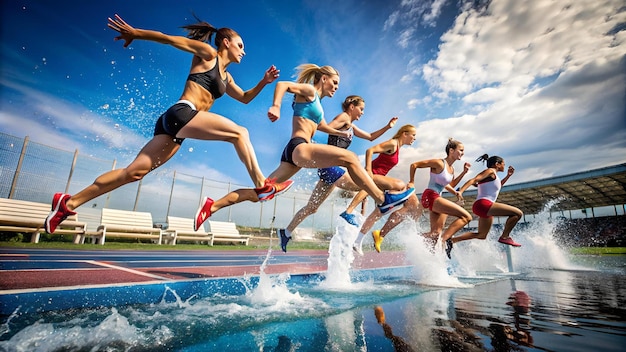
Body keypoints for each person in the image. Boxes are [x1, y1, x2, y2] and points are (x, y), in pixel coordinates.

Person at [44, 14, 292, 234]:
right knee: (240, 133)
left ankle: (68, 203)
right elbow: (169, 39)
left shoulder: (227, 78)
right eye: (240, 45)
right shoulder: (208, 55)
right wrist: (136, 33)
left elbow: (246, 98)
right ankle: (262, 185)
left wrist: (264, 82)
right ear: (225, 42)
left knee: (133, 173)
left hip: (176, 126)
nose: (243, 51)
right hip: (184, 112)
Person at [191, 64, 415, 249]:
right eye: (334, 83)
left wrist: (339, 132)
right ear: (324, 78)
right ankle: (383, 199)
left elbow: (323, 126)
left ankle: (212, 206)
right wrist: (276, 106)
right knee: (350, 159)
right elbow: (283, 84)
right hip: (300, 147)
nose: (336, 88)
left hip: (292, 153)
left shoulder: (318, 105)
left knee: (263, 191)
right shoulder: (309, 92)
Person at [278, 95, 399, 243]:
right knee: (361, 182)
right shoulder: (344, 118)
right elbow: (324, 127)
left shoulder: (351, 126)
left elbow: (370, 137)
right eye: (361, 109)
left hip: (328, 169)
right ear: (352, 107)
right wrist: (334, 134)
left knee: (312, 207)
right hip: (330, 166)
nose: (362, 113)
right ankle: (378, 199)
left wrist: (388, 126)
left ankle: (286, 232)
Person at [347, 125, 418, 255]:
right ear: (404, 133)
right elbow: (370, 150)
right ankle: (349, 211)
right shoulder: (392, 144)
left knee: (377, 213)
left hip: (379, 180)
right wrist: (368, 170)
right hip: (372, 175)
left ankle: (357, 241)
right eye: (413, 135)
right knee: (400, 184)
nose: (414, 138)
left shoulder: (398, 148)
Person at [408, 138, 472, 258]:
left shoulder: (451, 169)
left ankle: (413, 240)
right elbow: (414, 165)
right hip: (431, 195)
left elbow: (450, 185)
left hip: (437, 197)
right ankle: (446, 240)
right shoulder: (439, 163)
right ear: (451, 150)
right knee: (466, 217)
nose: (463, 153)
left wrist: (463, 173)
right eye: (461, 150)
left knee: (435, 234)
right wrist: (411, 181)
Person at [451, 154, 523, 247]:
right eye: (503, 164)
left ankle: (452, 240)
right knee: (518, 213)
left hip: (482, 207)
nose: (504, 166)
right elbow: (473, 180)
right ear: (497, 164)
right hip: (484, 204)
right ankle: (505, 236)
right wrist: (461, 191)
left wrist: (508, 176)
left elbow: (497, 186)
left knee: (482, 235)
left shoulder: (493, 177)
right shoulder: (490, 171)